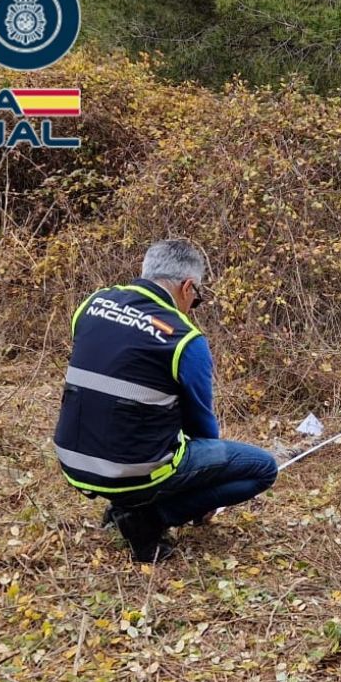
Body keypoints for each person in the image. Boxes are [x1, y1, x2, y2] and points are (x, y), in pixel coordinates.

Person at [53, 239, 277, 562]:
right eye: (196, 299)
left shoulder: (93, 304)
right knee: (263, 468)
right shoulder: (184, 338)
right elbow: (201, 424)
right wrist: (206, 491)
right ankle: (149, 517)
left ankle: (125, 504)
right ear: (187, 287)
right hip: (133, 469)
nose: (192, 307)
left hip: (74, 462)